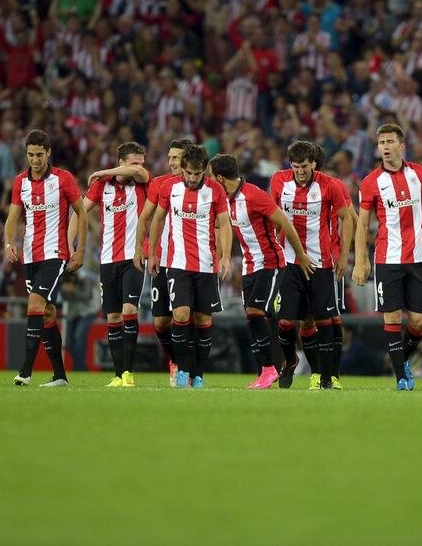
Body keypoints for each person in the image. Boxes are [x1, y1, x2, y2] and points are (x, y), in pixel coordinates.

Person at [353, 124, 422, 390]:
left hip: (419, 257)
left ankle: (402, 360)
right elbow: (362, 224)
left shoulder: (419, 174)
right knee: (392, 318)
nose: (385, 147)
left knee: (419, 322)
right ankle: (401, 377)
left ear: (402, 146)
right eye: (381, 143)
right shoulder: (371, 181)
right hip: (387, 259)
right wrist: (361, 260)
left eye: (390, 141)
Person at [207, 153, 314, 389]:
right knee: (258, 317)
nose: (209, 181)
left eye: (211, 177)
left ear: (221, 178)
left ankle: (270, 369)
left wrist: (300, 254)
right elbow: (218, 227)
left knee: (257, 312)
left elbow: (284, 222)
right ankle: (283, 361)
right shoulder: (224, 200)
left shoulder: (254, 196)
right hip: (249, 266)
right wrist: (221, 256)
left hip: (271, 262)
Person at [144, 145, 232, 389]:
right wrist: (152, 253)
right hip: (177, 264)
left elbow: (225, 225)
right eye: (189, 173)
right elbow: (158, 218)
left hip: (206, 265)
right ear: (182, 170)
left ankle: (199, 374)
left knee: (203, 320)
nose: (193, 178)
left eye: (197, 173)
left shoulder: (216, 191)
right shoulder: (169, 188)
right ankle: (182, 371)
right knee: (180, 315)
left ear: (204, 171)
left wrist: (225, 257)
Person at [5, 129, 86, 387]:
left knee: (35, 303)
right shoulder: (20, 182)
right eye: (31, 155)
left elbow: (82, 213)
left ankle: (25, 371)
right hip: (30, 256)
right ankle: (60, 376)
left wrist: (80, 249)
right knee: (48, 313)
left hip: (56, 253)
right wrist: (9, 243)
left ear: (48, 153)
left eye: (39, 154)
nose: (35, 160)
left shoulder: (63, 179)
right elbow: (12, 217)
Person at [270, 141, 353, 390]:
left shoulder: (330, 185)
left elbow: (347, 218)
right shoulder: (279, 181)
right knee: (285, 322)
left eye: (304, 166)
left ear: (313, 163)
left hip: (321, 263)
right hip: (290, 262)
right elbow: (272, 215)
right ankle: (291, 359)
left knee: (323, 320)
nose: (300, 171)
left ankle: (325, 377)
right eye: (295, 166)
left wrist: (344, 256)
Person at [72, 142, 150, 388]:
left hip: (134, 257)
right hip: (108, 259)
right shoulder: (101, 188)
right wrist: (69, 244)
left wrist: (101, 172)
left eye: (141, 162)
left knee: (129, 310)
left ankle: (128, 373)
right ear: (121, 163)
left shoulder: (142, 182)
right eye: (134, 162)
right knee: (114, 315)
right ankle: (118, 375)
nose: (139, 167)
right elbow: (79, 212)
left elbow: (139, 173)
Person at [133, 139, 191, 386]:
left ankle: (190, 369)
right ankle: (174, 361)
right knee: (161, 322)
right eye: (169, 157)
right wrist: (142, 250)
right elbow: (145, 217)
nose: (171, 162)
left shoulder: (199, 184)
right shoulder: (160, 184)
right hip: (161, 261)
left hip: (189, 263)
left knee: (189, 318)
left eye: (176, 158)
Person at [311, 142, 358, 388]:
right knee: (315, 319)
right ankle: (322, 374)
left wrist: (350, 255)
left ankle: (331, 375)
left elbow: (351, 219)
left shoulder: (334, 186)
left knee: (330, 318)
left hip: (329, 259)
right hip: (305, 261)